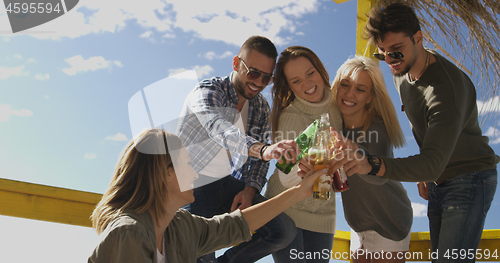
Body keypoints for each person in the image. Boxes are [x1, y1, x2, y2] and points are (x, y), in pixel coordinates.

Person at [324, 3, 498, 262]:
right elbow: (428, 136)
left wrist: (371, 164)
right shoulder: (401, 72)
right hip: (437, 180)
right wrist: (424, 170)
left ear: (419, 38)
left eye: (396, 52)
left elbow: (430, 162)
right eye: (383, 54)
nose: (390, 60)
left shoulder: (445, 90)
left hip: (469, 178)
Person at [88, 129, 325, 263]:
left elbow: (236, 224)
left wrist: (300, 192)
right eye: (187, 165)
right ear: (165, 174)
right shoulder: (128, 233)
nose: (195, 173)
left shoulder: (179, 226)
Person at [176, 35, 299, 263]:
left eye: (267, 77)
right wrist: (261, 149)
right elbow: (218, 127)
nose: (259, 83)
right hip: (189, 184)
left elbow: (260, 163)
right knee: (200, 253)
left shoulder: (261, 107)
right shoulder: (208, 90)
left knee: (283, 230)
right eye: (253, 73)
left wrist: (250, 191)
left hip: (227, 185)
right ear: (236, 64)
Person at [264, 46, 343, 263]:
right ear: (288, 86)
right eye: (296, 81)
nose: (307, 84)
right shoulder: (290, 116)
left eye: (310, 73)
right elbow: (285, 175)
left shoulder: (338, 106)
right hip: (285, 208)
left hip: (322, 210)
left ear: (320, 70)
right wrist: (302, 170)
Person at [331, 56, 412, 262]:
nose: (350, 94)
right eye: (345, 85)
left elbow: (377, 176)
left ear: (369, 97)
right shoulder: (332, 126)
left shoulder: (378, 128)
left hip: (389, 221)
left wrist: (356, 152)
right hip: (359, 224)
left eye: (360, 89)